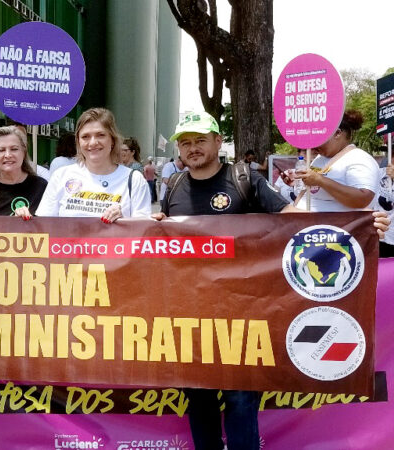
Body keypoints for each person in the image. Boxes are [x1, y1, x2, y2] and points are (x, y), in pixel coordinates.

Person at [155, 111, 389, 450]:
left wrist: (360, 226)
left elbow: (294, 220)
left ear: (218, 142)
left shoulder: (243, 178)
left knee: (239, 398)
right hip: (190, 312)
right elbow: (162, 237)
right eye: (186, 142)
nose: (192, 148)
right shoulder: (173, 186)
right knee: (198, 398)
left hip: (242, 310)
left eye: (200, 140)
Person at [36, 108, 152, 221]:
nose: (92, 143)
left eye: (100, 135)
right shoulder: (61, 176)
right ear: (78, 142)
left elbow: (142, 232)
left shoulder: (135, 180)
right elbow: (44, 226)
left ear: (112, 140)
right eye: (85, 137)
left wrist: (124, 219)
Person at [290, 110, 380, 212]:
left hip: (336, 226)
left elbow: (363, 199)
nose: (314, 146)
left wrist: (320, 180)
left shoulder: (359, 158)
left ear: (337, 133)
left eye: (319, 138)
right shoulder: (320, 159)